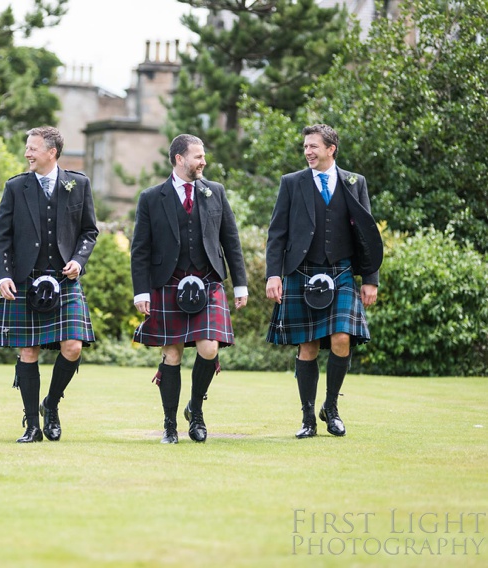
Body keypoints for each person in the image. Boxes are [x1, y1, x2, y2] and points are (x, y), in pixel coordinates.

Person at [265, 124, 383, 439]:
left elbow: (367, 235)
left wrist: (370, 278)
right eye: (305, 146)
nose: (308, 152)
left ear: (331, 149)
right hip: (302, 272)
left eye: (314, 146)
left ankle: (331, 408)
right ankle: (307, 419)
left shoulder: (355, 183)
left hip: (341, 271)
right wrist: (273, 274)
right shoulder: (291, 183)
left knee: (342, 338)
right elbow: (277, 233)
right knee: (308, 345)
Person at [130, 134, 248, 444]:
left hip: (208, 282)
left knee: (209, 349)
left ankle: (195, 410)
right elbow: (140, 249)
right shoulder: (152, 197)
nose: (203, 161)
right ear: (179, 159)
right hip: (167, 283)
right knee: (172, 354)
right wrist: (141, 291)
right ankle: (170, 425)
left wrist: (241, 284)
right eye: (197, 156)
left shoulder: (215, 192)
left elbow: (230, 240)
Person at [0, 126, 98, 443]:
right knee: (28, 350)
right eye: (27, 148)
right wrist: (4, 274)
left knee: (73, 346)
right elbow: (2, 236)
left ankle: (50, 405)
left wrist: (79, 260)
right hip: (26, 279)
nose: (27, 153)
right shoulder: (16, 187)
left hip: (65, 280)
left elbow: (89, 231)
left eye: (33, 148)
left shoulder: (78, 184)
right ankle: (32, 425)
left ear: (51, 152)